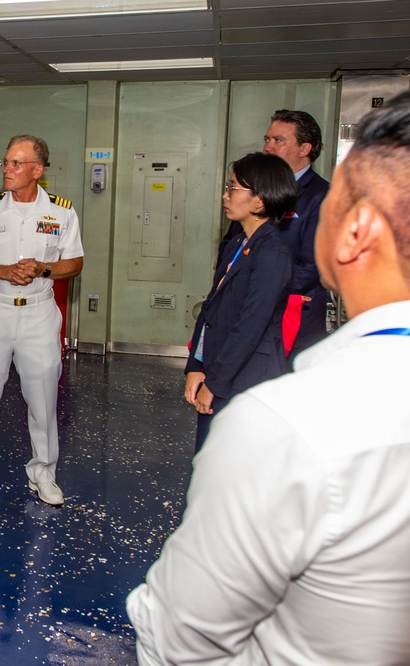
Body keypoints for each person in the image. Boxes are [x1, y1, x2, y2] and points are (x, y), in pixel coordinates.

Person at [127, 92, 410, 666]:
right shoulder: (240, 243)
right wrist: (197, 361)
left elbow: (180, 635)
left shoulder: (283, 424)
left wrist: (215, 376)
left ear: (353, 232)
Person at [0, 134, 83, 506]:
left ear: (37, 170)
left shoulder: (62, 212)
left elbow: (74, 262)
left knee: (43, 394)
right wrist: (3, 271)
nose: (7, 169)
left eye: (15, 163)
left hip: (39, 313)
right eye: (6, 162)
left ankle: (44, 472)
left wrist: (44, 267)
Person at [185, 152, 296, 451]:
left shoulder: (272, 252)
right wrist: (196, 364)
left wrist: (215, 384)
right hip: (220, 371)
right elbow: (211, 308)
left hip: (246, 381)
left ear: (259, 201)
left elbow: (250, 326)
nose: (226, 195)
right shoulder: (237, 243)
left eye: (233, 188)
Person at [221, 109, 331, 360]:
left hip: (291, 317)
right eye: (267, 139)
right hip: (245, 310)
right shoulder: (254, 189)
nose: (268, 147)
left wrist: (260, 289)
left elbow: (314, 265)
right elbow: (231, 243)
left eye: (278, 140)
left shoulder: (322, 196)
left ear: (305, 149)